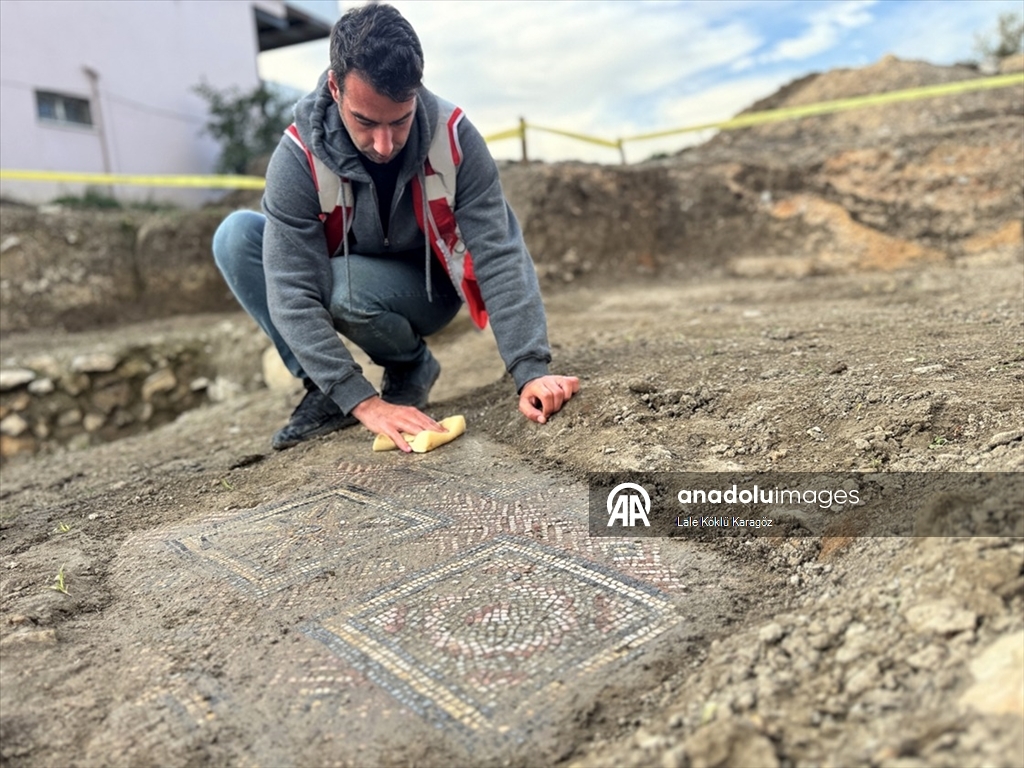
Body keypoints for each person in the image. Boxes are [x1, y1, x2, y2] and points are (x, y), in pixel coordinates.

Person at [212, 3, 578, 454]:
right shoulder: (296, 157)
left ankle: (410, 366)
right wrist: (361, 400)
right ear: (335, 87)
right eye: (365, 121)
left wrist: (530, 368)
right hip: (342, 275)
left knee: (344, 289)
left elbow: (499, 253)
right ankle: (326, 392)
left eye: (400, 120)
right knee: (237, 236)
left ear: (416, 90)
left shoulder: (454, 137)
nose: (384, 145)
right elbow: (290, 289)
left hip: (428, 291)